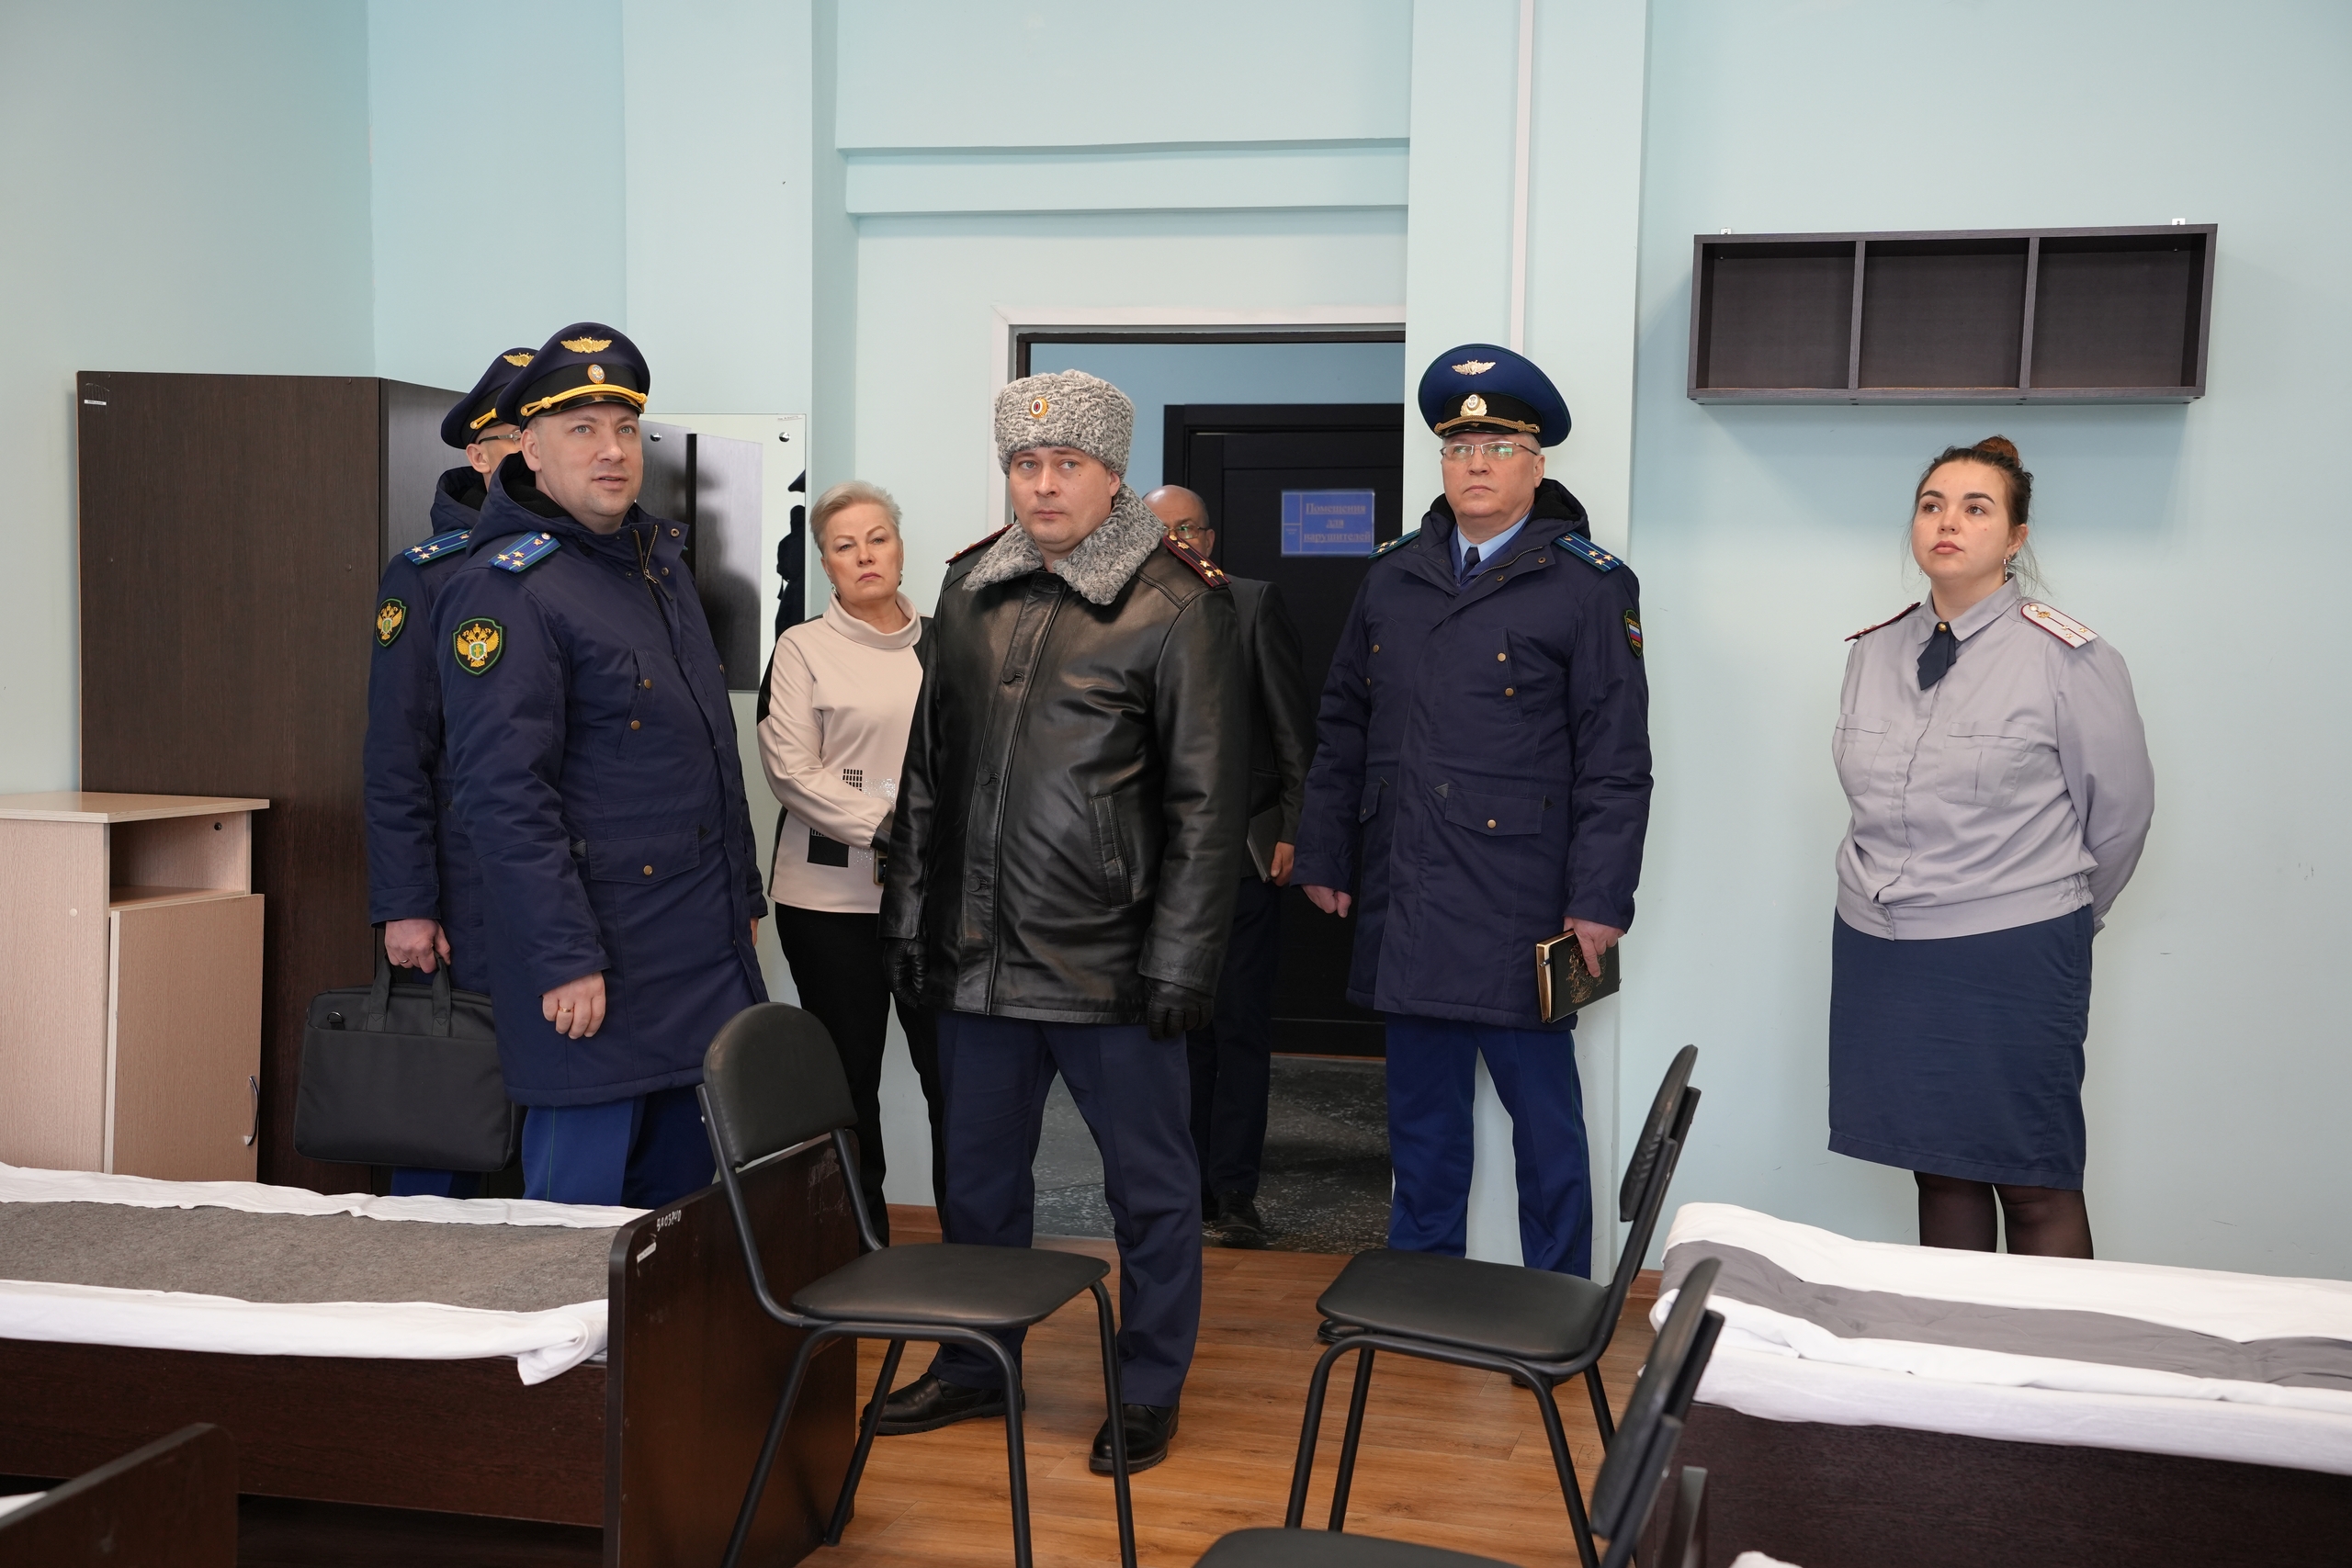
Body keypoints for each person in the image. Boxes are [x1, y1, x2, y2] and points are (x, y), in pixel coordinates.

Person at [876, 370, 1245, 1472]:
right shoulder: (967, 590)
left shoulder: (1176, 604)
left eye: (1065, 464)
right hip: (975, 956)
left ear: (1111, 474)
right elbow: (927, 773)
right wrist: (910, 916)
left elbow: (1207, 806)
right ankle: (972, 1362)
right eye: (1024, 464)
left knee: (1151, 1191)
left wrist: (1182, 961)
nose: (1042, 485)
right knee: (977, 1182)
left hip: (1112, 964)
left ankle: (1148, 1384)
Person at [1292, 344, 1652, 1278]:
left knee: (1546, 1127)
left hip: (1523, 903)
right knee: (1421, 1122)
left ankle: (1558, 1296)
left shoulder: (1587, 584)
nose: (1476, 465)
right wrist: (1325, 850)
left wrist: (1600, 899)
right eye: (1459, 449)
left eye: (1498, 447)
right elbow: (1342, 722)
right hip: (1407, 889)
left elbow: (1616, 761)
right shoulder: (1393, 575)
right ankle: (1421, 1288)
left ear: (1537, 464)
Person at [434, 322, 768, 1209]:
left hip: (697, 948)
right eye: (581, 429)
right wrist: (562, 956)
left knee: (680, 1221)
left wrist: (743, 902)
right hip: (595, 966)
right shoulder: (506, 587)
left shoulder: (659, 567)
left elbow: (711, 754)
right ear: (530, 450)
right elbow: (502, 795)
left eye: (624, 428)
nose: (612, 450)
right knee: (573, 1231)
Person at [1829, 436, 2153, 1258]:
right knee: (1939, 1169)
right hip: (1882, 946)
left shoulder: (2068, 658)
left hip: (2012, 948)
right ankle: (1952, 1345)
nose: (1948, 522)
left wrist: (2055, 917)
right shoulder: (1873, 651)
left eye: (1977, 508)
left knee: (2034, 1181)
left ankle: (2056, 1346)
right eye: (1932, 505)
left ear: (2015, 537)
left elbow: (2120, 816)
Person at [364, 344, 535, 1200]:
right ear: (478, 454)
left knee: (553, 1121)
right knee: (449, 1113)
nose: (536, 459)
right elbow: (397, 753)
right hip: (461, 891)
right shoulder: (426, 575)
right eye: (517, 442)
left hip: (565, 884)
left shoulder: (585, 563)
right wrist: (406, 902)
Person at [758, 479, 945, 1240]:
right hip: (831, 906)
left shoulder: (949, 642)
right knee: (848, 1083)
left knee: (957, 1081)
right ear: (825, 563)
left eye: (878, 538)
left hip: (938, 902)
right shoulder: (802, 648)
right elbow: (791, 771)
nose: (865, 555)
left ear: (899, 548)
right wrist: (893, 827)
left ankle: (975, 1244)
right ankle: (858, 1243)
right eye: (844, 545)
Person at [1143, 483, 1314, 1250]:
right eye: (1161, 530)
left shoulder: (1251, 603)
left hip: (1243, 853)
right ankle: (1181, 1187)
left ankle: (1234, 1193)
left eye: (1188, 528)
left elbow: (1293, 730)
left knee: (1238, 1028)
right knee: (1171, 1034)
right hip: (1154, 861)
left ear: (1209, 536)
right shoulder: (1122, 608)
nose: (1176, 540)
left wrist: (1296, 828)